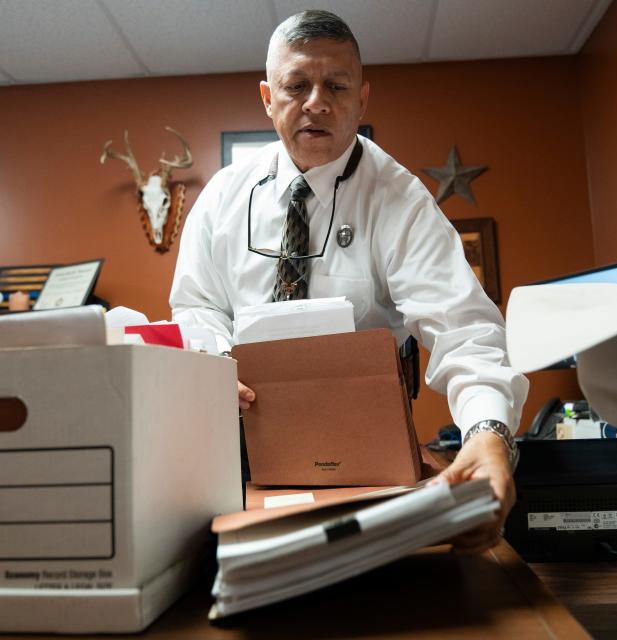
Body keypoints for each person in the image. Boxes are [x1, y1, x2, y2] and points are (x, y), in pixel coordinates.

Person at [170, 10, 529, 553]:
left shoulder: (400, 199)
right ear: (268, 97)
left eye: (336, 85)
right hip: (235, 443)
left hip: (365, 448)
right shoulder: (221, 197)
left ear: (362, 99)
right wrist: (215, 359)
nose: (317, 102)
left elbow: (465, 331)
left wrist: (489, 432)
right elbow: (196, 304)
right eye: (297, 85)